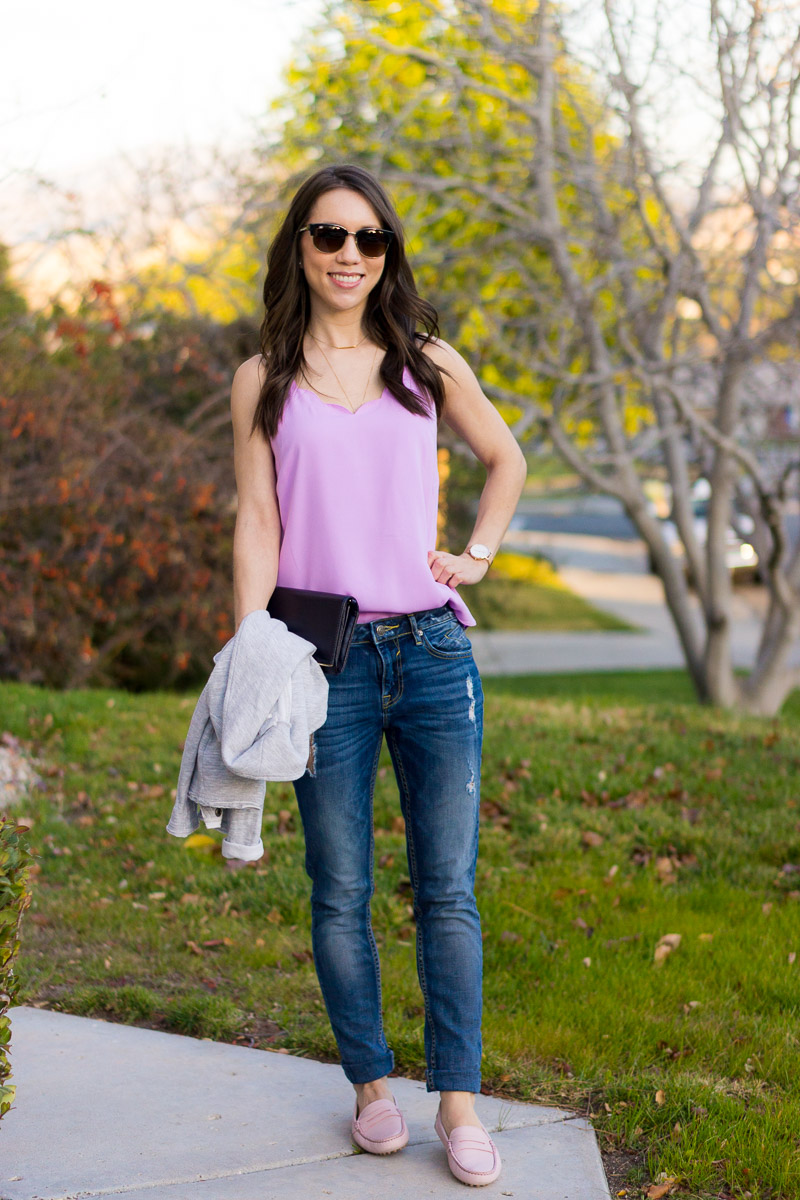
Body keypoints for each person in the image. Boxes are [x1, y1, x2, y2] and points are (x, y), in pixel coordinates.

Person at [229, 163, 527, 1187]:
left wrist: (476, 554)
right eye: (327, 235)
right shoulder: (262, 378)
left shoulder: (423, 363)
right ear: (299, 249)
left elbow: (506, 458)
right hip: (324, 664)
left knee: (445, 890)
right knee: (339, 888)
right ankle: (368, 1085)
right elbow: (258, 519)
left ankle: (457, 1102)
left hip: (433, 653)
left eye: (367, 239)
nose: (348, 254)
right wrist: (248, 644)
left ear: (385, 252)